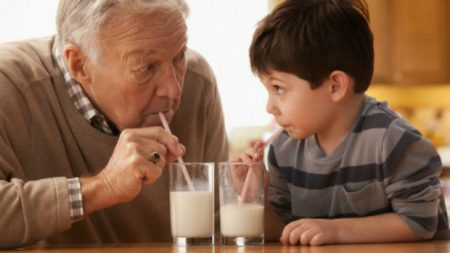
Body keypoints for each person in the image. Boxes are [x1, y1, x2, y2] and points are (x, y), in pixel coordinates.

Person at [0, 0, 228, 248]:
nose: (173, 89)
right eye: (146, 67)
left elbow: (220, 223)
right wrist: (103, 187)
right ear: (80, 65)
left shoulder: (198, 81)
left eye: (179, 56)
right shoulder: (9, 87)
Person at [236, 0, 450, 246]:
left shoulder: (395, 143)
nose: (269, 107)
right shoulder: (284, 151)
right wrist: (255, 195)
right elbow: (283, 230)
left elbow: (419, 223)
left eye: (279, 89)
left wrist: (335, 230)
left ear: (336, 86)